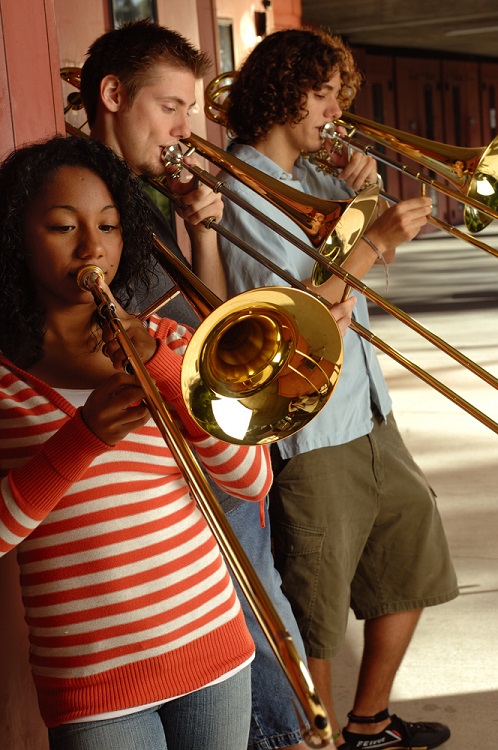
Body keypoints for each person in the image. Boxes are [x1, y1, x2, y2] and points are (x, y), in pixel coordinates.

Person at [78, 21, 354, 749]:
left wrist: (201, 226)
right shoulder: (81, 203)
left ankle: (296, 733)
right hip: (150, 462)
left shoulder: (145, 195)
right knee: (255, 618)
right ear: (113, 95)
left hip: (199, 432)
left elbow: (210, 318)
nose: (184, 127)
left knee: (258, 614)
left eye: (190, 108)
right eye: (170, 106)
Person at [217, 27, 459, 750]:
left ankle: (368, 723)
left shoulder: (312, 179)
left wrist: (365, 189)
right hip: (311, 428)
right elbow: (285, 323)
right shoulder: (236, 188)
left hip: (366, 407)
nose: (332, 109)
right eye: (320, 94)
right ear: (281, 93)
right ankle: (316, 740)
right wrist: (374, 242)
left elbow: (352, 245)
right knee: (315, 606)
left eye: (335, 95)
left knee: (414, 550)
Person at [0, 134, 274, 750]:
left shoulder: (170, 342)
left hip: (214, 647)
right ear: (18, 237)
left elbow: (250, 479)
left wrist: (165, 370)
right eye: (63, 227)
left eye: (110, 225)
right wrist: (83, 439)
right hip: (93, 682)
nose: (93, 247)